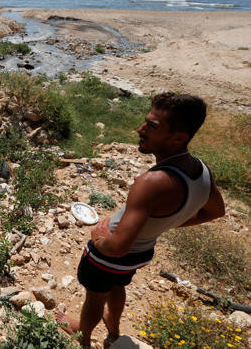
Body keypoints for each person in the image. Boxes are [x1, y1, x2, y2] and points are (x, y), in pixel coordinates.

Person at [55, 92, 226, 348]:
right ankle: (113, 330)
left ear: (179, 138)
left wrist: (99, 238)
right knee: (117, 286)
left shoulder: (151, 183)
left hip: (108, 257)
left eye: (152, 126)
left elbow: (117, 247)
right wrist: (164, 224)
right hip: (141, 252)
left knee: (94, 298)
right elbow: (215, 211)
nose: (140, 129)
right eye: (146, 121)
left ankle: (83, 336)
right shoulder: (202, 171)